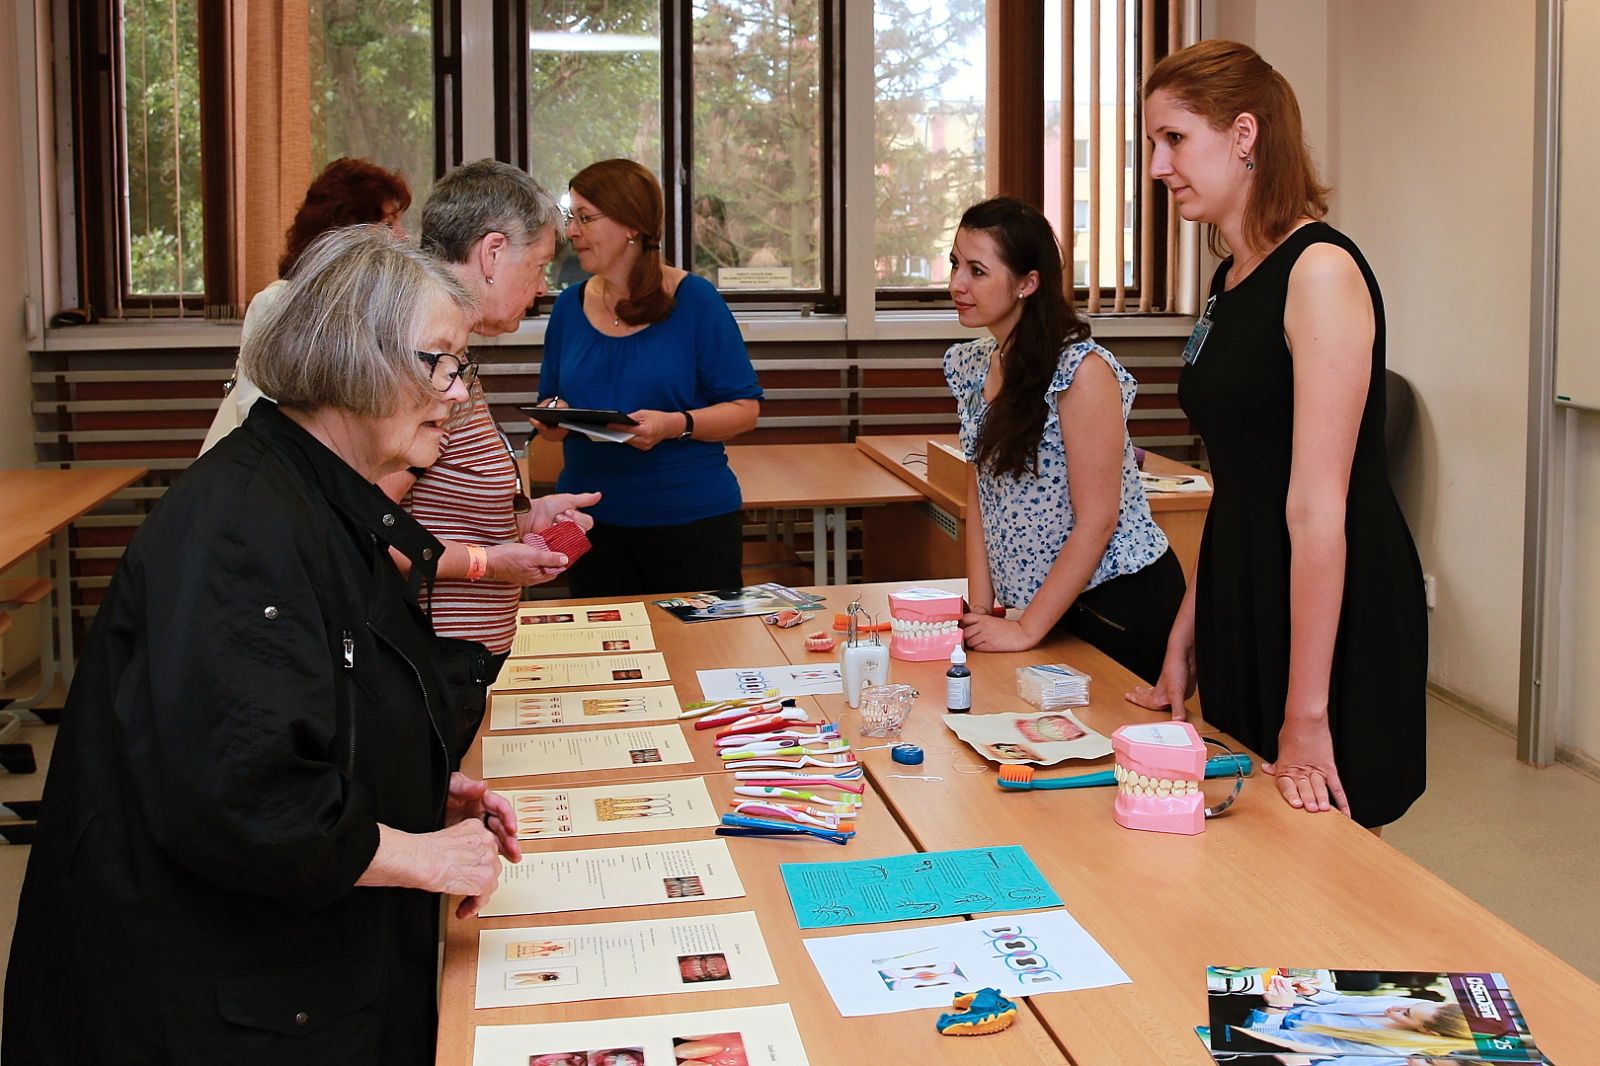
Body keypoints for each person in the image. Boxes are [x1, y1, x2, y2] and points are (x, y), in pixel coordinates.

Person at [4, 226, 519, 1064]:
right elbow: (247, 796)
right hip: (211, 1003)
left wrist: (422, 783)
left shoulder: (315, 496)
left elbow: (319, 702)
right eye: (442, 362)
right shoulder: (243, 530)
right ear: (358, 361)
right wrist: (420, 856)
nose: (459, 392)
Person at [1127, 40, 1427, 828]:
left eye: (1175, 139)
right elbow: (1243, 475)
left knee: (1329, 845)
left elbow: (1316, 511)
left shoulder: (1318, 271)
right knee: (1253, 842)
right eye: (1152, 144)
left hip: (1329, 607)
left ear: (1246, 134)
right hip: (1247, 583)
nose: (1159, 166)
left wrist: (1308, 714)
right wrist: (1189, 626)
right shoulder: (1231, 278)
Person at [382, 159, 601, 759]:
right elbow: (367, 538)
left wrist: (526, 519)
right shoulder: (424, 361)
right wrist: (488, 563)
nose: (541, 288)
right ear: (492, 253)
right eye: (535, 268)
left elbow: (439, 506)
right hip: (433, 660)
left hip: (462, 659)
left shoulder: (451, 353)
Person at [944, 197, 1184, 681]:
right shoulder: (971, 363)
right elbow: (981, 494)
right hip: (1037, 610)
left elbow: (1098, 519)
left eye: (977, 270)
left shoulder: (1082, 371)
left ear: (1028, 283)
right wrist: (984, 610)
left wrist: (1027, 628)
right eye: (954, 264)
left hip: (1113, 602)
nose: (956, 285)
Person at [534, 158, 762, 597]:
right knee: (604, 660)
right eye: (571, 218)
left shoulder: (696, 301)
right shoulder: (568, 307)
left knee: (701, 658)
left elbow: (745, 409)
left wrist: (675, 425)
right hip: (587, 524)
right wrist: (553, 416)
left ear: (631, 226)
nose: (571, 232)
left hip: (691, 522)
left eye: (584, 218)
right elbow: (552, 405)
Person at [200, 157, 412, 453]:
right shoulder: (278, 304)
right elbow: (258, 417)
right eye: (389, 224)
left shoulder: (385, 312)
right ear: (347, 235)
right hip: (269, 479)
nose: (403, 237)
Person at [1227, 977, 1477, 1057]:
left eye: (1405, 1014)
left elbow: (1265, 1044)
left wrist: (1277, 1010)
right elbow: (1341, 1001)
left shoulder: (1383, 1051)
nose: (1393, 1010)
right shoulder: (1419, 1006)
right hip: (1277, 1007)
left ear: (1427, 1033)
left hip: (1257, 1027)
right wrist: (1313, 992)